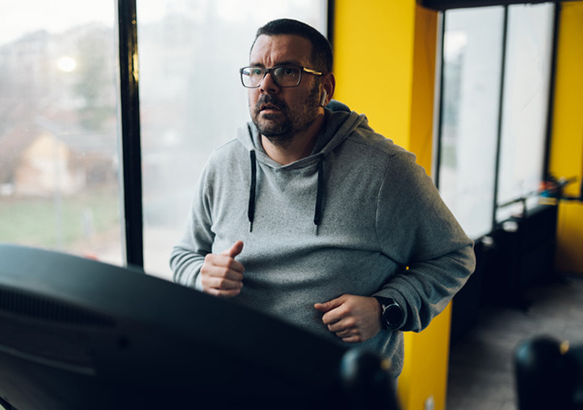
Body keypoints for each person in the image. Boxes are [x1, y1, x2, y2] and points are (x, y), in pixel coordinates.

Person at [170, 18, 475, 380]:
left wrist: (385, 308)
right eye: (256, 71)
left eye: (287, 71)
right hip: (234, 383)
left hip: (341, 393)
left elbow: (454, 256)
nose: (266, 85)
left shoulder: (385, 172)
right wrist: (201, 276)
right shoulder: (223, 165)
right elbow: (184, 256)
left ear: (324, 88)